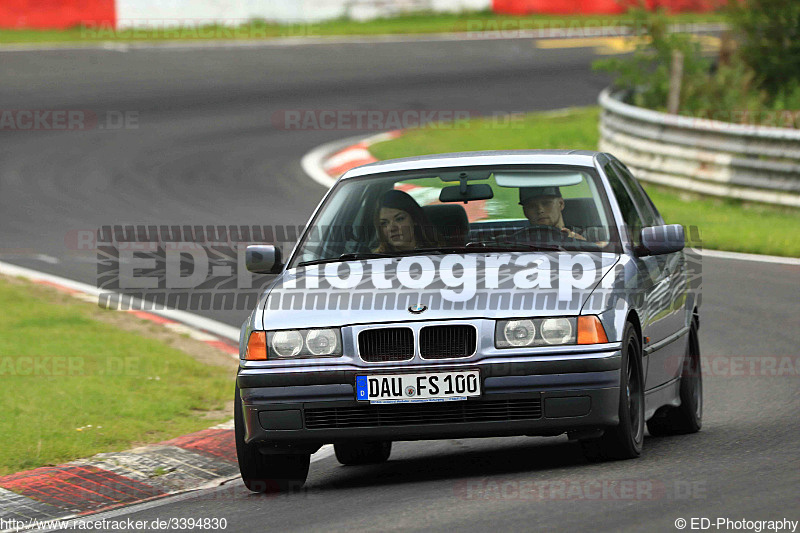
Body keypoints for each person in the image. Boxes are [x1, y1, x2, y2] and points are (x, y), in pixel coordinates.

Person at [374, 189, 439, 252]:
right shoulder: (374, 260)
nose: (392, 228)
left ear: (414, 219)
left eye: (399, 219)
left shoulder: (443, 251)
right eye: (384, 223)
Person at [518, 186, 586, 241]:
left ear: (561, 204)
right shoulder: (518, 240)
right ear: (525, 212)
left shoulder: (589, 234)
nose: (540, 210)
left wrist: (583, 243)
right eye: (532, 206)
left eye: (546, 203)